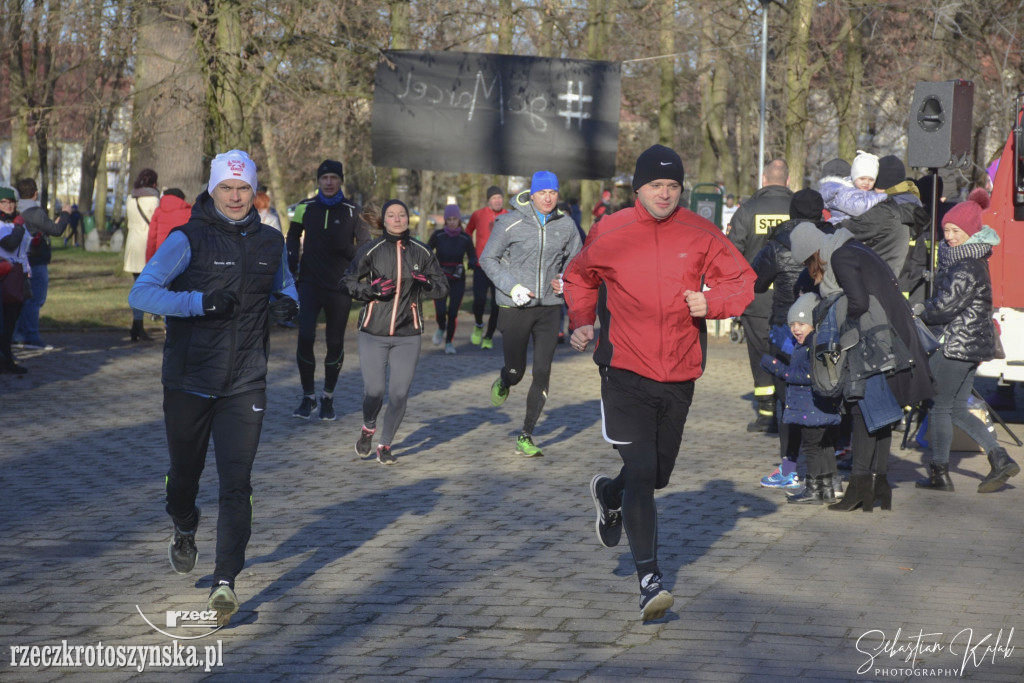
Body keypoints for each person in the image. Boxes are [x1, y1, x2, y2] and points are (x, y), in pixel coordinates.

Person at [564, 144, 755, 621]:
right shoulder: (611, 230)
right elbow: (579, 276)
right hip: (624, 369)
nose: (665, 193)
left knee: (657, 474)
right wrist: (582, 319)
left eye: (673, 186)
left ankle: (610, 494)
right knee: (644, 472)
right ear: (638, 188)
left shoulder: (701, 231)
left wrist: (711, 304)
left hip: (680, 370)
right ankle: (650, 581)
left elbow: (742, 279)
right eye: (656, 185)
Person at [128, 149, 298, 626]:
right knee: (185, 476)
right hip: (189, 379)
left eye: (244, 189)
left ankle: (226, 582)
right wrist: (198, 302)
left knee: (237, 482)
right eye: (228, 188)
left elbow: (285, 287)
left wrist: (287, 304)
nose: (237, 197)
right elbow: (141, 292)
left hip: (246, 380)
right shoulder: (189, 238)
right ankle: (184, 524)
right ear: (214, 189)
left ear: (254, 191)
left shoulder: (271, 241)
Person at [788, 221, 935, 512]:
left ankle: (858, 488)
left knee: (862, 415)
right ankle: (878, 487)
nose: (810, 269)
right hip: (890, 340)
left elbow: (857, 302)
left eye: (807, 261)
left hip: (873, 345)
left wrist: (832, 318)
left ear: (812, 252)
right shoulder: (854, 247)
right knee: (881, 415)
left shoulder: (841, 257)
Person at [913, 189, 1020, 493]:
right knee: (957, 409)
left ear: (970, 232)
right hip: (970, 345)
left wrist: (921, 310)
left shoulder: (964, 265)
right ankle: (999, 458)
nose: (949, 236)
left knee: (939, 407)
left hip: (954, 345)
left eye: (956, 230)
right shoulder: (973, 259)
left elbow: (945, 306)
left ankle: (939, 474)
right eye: (946, 230)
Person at [480, 170, 582, 457]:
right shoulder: (510, 222)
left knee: (542, 371)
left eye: (553, 193)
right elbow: (487, 259)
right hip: (516, 307)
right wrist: (512, 288)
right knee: (517, 371)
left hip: (549, 308)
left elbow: (577, 259)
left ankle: (526, 434)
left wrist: (565, 278)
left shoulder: (567, 225)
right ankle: (505, 379)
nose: (548, 198)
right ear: (532, 195)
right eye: (543, 193)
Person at [343, 199, 448, 465]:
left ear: (408, 219)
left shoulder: (422, 252)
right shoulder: (372, 249)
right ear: (385, 220)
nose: (398, 219)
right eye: (392, 215)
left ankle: (385, 445)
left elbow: (442, 287)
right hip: (373, 332)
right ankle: (368, 428)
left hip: (407, 334)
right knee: (375, 390)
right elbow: (347, 281)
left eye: (402, 214)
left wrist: (425, 283)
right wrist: (371, 291)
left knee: (399, 394)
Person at [751, 189, 832, 491]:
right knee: (826, 391)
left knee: (789, 400)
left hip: (787, 330)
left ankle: (789, 467)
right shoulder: (831, 239)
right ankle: (826, 462)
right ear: (821, 212)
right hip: (824, 328)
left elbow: (757, 283)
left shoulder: (776, 242)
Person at [287, 159, 371, 420]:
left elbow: (366, 245)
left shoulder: (353, 210)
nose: (329, 182)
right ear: (318, 181)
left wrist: (350, 253)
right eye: (325, 178)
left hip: (339, 286)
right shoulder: (305, 207)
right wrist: (291, 263)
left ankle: (328, 397)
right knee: (305, 337)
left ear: (341, 181)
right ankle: (308, 396)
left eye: (334, 177)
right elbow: (292, 235)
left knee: (334, 342)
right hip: (309, 283)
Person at [728, 159, 793, 433]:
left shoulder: (747, 210)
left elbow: (731, 253)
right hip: (793, 299)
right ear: (788, 181)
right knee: (790, 353)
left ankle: (766, 414)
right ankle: (790, 410)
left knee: (761, 354)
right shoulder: (798, 208)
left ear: (764, 179)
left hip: (757, 299)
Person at [761, 293, 842, 504]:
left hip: (811, 408)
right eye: (792, 324)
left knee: (813, 449)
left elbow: (805, 375)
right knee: (825, 446)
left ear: (813, 324)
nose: (796, 328)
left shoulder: (811, 344)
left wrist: (777, 368)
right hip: (816, 408)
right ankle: (830, 486)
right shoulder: (809, 343)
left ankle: (813, 489)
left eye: (801, 323)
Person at [12, 178, 70, 350]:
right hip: (35, 260)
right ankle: (30, 335)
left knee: (20, 298)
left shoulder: (16, 210)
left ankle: (17, 334)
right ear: (35, 193)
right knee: (35, 299)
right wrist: (66, 214)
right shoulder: (35, 212)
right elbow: (56, 230)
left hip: (19, 260)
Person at [427, 203, 477, 354]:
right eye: (449, 219)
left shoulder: (465, 238)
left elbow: (472, 255)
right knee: (441, 311)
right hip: (440, 278)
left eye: (455, 219)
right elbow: (427, 251)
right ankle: (441, 327)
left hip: (457, 278)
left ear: (459, 220)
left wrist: (473, 263)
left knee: (453, 312)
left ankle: (449, 342)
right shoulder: (438, 235)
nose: (452, 222)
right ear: (445, 220)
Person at [464, 185, 507, 349]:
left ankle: (488, 336)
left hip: (500, 267)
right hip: (481, 265)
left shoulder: (508, 216)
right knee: (479, 302)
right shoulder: (478, 215)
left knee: (497, 305)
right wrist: (471, 255)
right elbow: (467, 234)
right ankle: (478, 324)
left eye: (499, 197)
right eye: (494, 198)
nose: (497, 200)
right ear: (488, 200)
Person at [125, 168, 160, 342]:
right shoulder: (154, 199)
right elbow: (156, 222)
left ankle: (137, 325)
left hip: (132, 245)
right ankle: (140, 325)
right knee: (151, 287)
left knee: (138, 287)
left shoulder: (131, 198)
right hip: (147, 245)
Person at [0, 186, 32, 374]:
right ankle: (6, 359)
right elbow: (10, 244)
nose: (9, 205)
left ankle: (7, 358)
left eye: (11, 202)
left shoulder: (17, 222)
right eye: (4, 202)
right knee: (3, 321)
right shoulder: (5, 224)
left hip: (17, 274)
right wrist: (19, 227)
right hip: (3, 274)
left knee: (11, 320)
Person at [146, 189, 192, 263]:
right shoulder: (189, 212)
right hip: (182, 256)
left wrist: (149, 261)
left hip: (161, 255)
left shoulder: (158, 212)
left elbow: (152, 238)